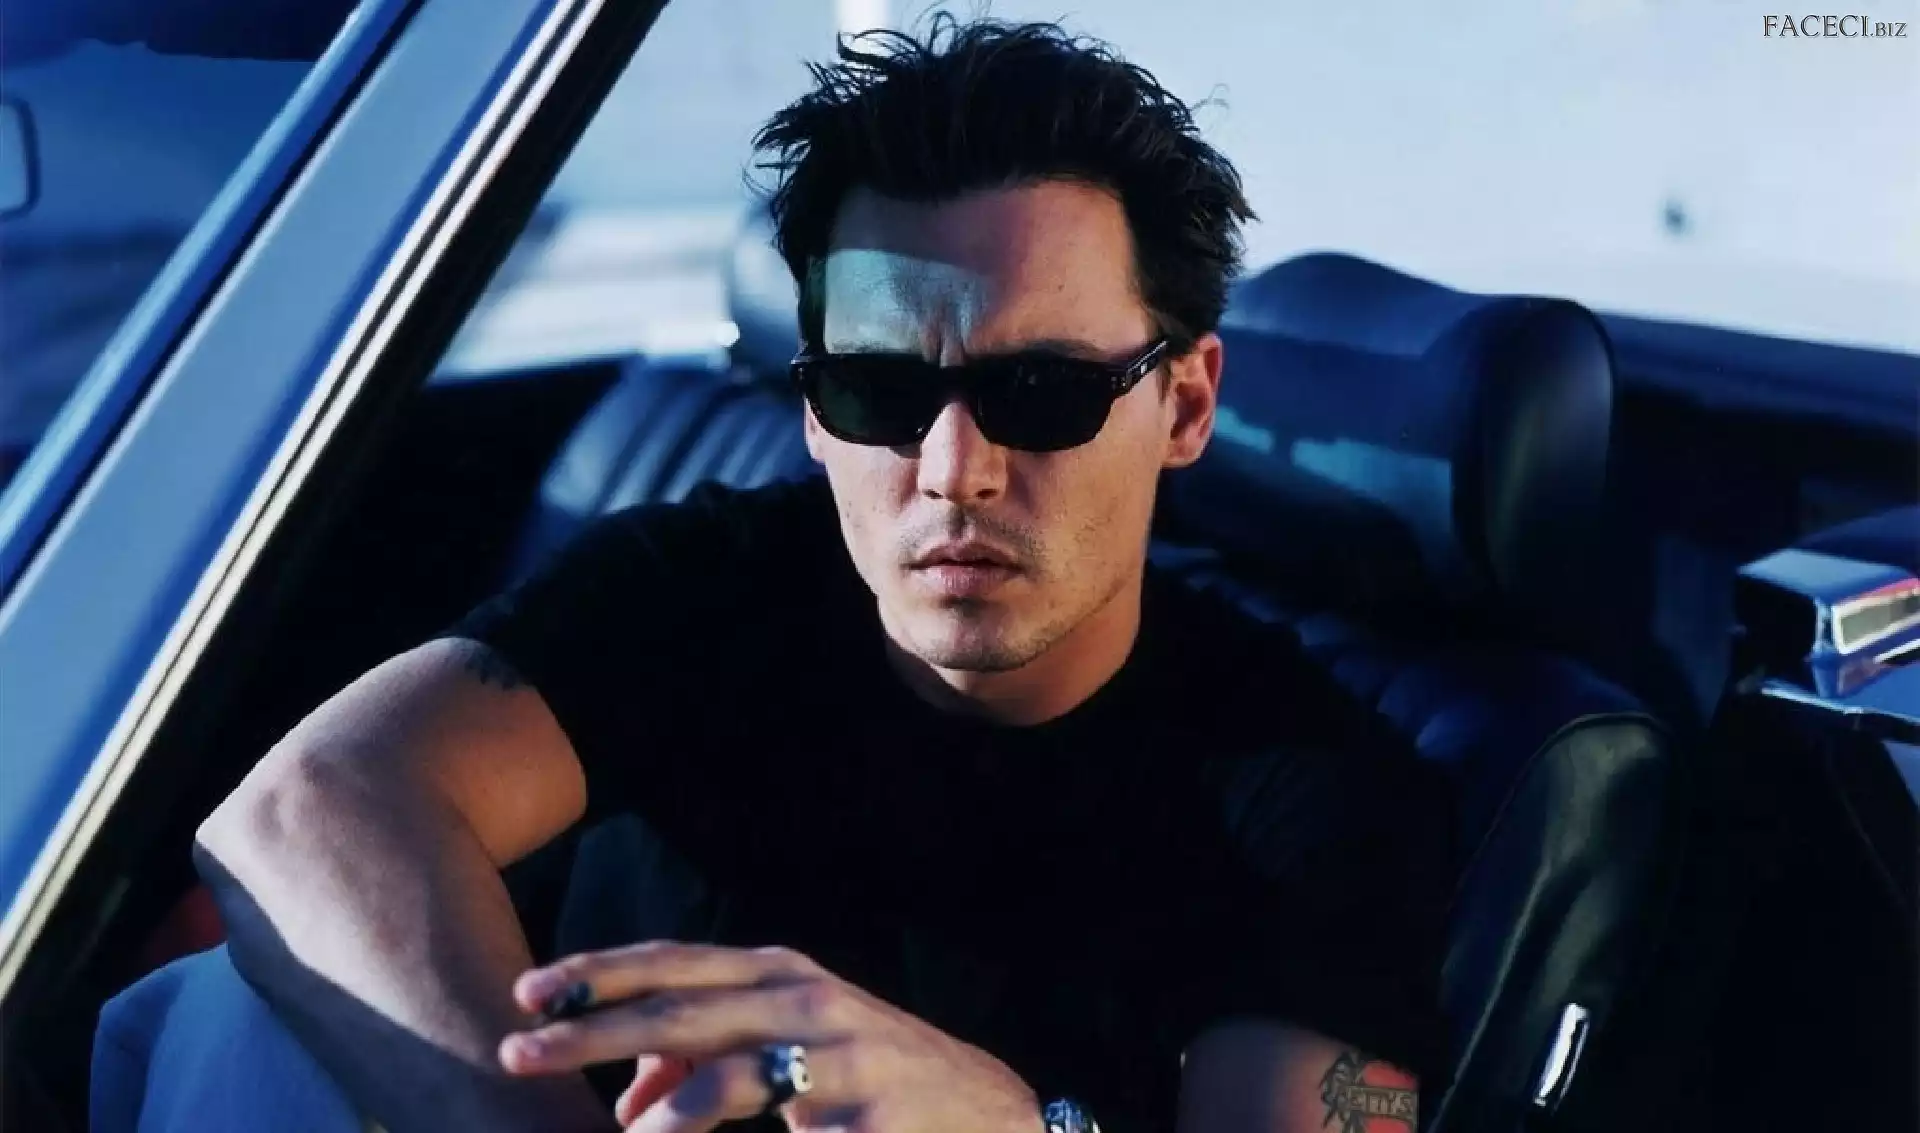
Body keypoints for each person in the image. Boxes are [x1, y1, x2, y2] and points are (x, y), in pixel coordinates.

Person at [174, 17, 1454, 1133]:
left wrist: (1021, 1123)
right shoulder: (708, 586)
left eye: (1042, 391)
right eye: (877, 389)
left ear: (1185, 403)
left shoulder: (1312, 795)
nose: (954, 469)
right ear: (810, 409)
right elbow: (298, 813)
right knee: (243, 1002)